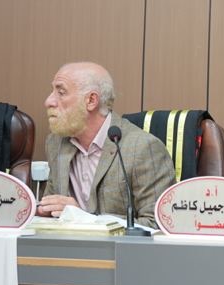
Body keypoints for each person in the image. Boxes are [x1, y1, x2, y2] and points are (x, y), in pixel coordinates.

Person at [37, 62, 174, 228]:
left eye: (61, 93)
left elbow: (158, 224)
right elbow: (54, 209)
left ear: (91, 100)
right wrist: (43, 211)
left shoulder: (142, 148)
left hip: (119, 246)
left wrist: (84, 219)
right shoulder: (56, 143)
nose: (48, 101)